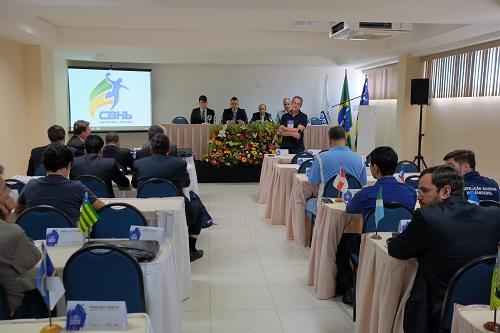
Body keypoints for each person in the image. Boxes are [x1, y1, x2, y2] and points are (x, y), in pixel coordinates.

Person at [388, 165, 500, 333]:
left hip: (439, 307)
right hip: (485, 307)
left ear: (446, 191)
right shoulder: (494, 214)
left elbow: (397, 250)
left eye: (424, 191)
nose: (419, 198)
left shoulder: (427, 217)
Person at [336, 146, 417, 303]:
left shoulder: (366, 194)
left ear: (375, 167)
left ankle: (348, 288)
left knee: (344, 242)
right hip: (401, 243)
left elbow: (350, 208)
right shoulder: (410, 192)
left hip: (372, 244)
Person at [132, 133, 204, 262]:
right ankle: (191, 250)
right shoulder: (179, 163)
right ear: (169, 149)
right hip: (174, 209)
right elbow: (186, 183)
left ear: (150, 149)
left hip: (145, 209)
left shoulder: (139, 163)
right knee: (199, 209)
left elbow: (134, 184)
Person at [15, 143, 105, 225]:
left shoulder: (31, 185)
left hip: (34, 239)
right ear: (69, 165)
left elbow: (17, 210)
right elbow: (102, 208)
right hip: (68, 241)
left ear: (44, 165)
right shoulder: (77, 187)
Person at [0, 164, 41, 315]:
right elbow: (34, 260)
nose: (10, 191)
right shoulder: (11, 234)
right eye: (4, 189)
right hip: (12, 311)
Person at [347, 146, 417, 216]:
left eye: (370, 165)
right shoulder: (411, 193)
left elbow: (350, 209)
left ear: (375, 168)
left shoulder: (364, 195)